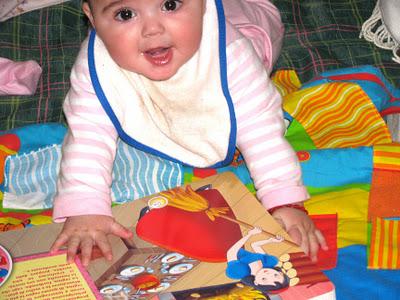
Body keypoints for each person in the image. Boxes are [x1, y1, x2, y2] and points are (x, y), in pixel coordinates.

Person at [50, 0, 327, 267]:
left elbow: (261, 127)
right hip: (195, 16)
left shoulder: (231, 54)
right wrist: (86, 206)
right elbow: (88, 133)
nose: (152, 29)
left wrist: (284, 201)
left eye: (169, 4)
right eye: (125, 14)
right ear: (93, 18)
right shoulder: (95, 66)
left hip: (251, 21)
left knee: (251, 44)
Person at [226, 227, 289, 293]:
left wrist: (249, 234)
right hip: (238, 243)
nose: (267, 274)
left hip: (226, 247)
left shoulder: (239, 272)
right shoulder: (268, 263)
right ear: (280, 273)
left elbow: (231, 252)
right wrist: (270, 240)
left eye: (264, 279)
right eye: (275, 275)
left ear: (256, 283)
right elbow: (255, 245)